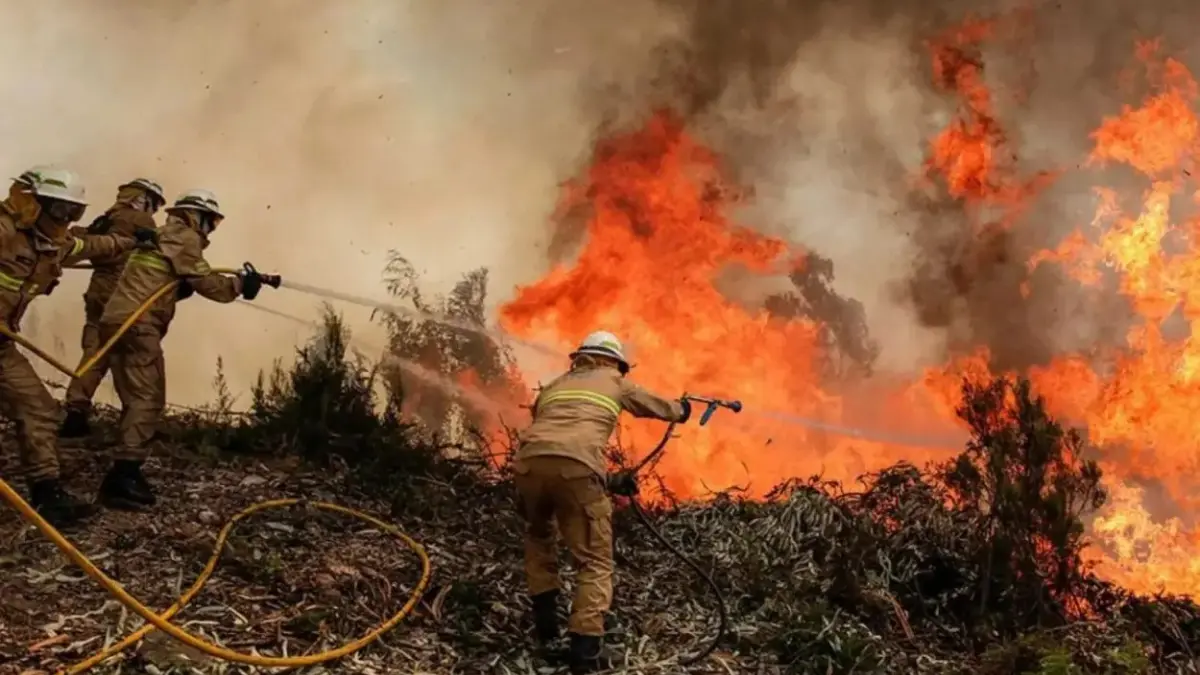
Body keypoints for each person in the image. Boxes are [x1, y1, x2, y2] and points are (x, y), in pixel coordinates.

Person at [513, 331, 691, 674]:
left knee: (538, 539)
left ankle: (547, 634)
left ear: (580, 357)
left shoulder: (553, 387)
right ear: (614, 361)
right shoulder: (615, 381)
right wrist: (682, 409)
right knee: (594, 562)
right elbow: (658, 407)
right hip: (575, 469)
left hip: (527, 466)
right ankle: (584, 654)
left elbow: (556, 450)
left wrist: (610, 481)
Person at [95, 189, 279, 510]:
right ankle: (122, 477)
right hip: (138, 325)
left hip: (119, 319)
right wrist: (241, 286)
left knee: (134, 396)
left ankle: (123, 468)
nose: (210, 230)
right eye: (210, 222)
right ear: (196, 216)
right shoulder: (184, 237)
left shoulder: (161, 235)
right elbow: (209, 284)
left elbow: (157, 281)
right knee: (148, 399)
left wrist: (179, 288)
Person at [0, 166, 151, 527]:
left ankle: (47, 494)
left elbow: (94, 245)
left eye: (74, 212)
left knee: (39, 409)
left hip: (1, 345)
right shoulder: (4, 231)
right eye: (60, 210)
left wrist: (133, 242)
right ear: (33, 203)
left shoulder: (53, 243)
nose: (66, 219)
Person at [60, 178, 166, 438]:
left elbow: (84, 241)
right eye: (153, 204)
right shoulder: (141, 221)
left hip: (97, 291)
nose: (154, 211)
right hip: (123, 294)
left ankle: (76, 411)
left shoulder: (105, 219)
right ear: (144, 199)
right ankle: (136, 421)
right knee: (134, 356)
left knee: (93, 355)